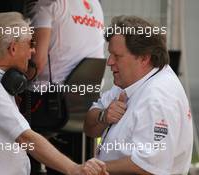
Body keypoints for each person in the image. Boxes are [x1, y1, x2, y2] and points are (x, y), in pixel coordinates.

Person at [0, 12, 108, 175]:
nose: (33, 51)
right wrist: (74, 169)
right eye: (31, 43)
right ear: (13, 48)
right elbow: (27, 138)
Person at [83, 15, 193, 174]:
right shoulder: (130, 80)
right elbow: (89, 128)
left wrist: (94, 169)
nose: (109, 62)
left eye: (117, 56)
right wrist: (103, 116)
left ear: (144, 58)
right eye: (110, 54)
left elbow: (149, 166)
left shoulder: (158, 97)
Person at [27, 0, 105, 86]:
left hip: (50, 92)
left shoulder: (47, 4)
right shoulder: (96, 5)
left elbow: (38, 62)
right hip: (90, 92)